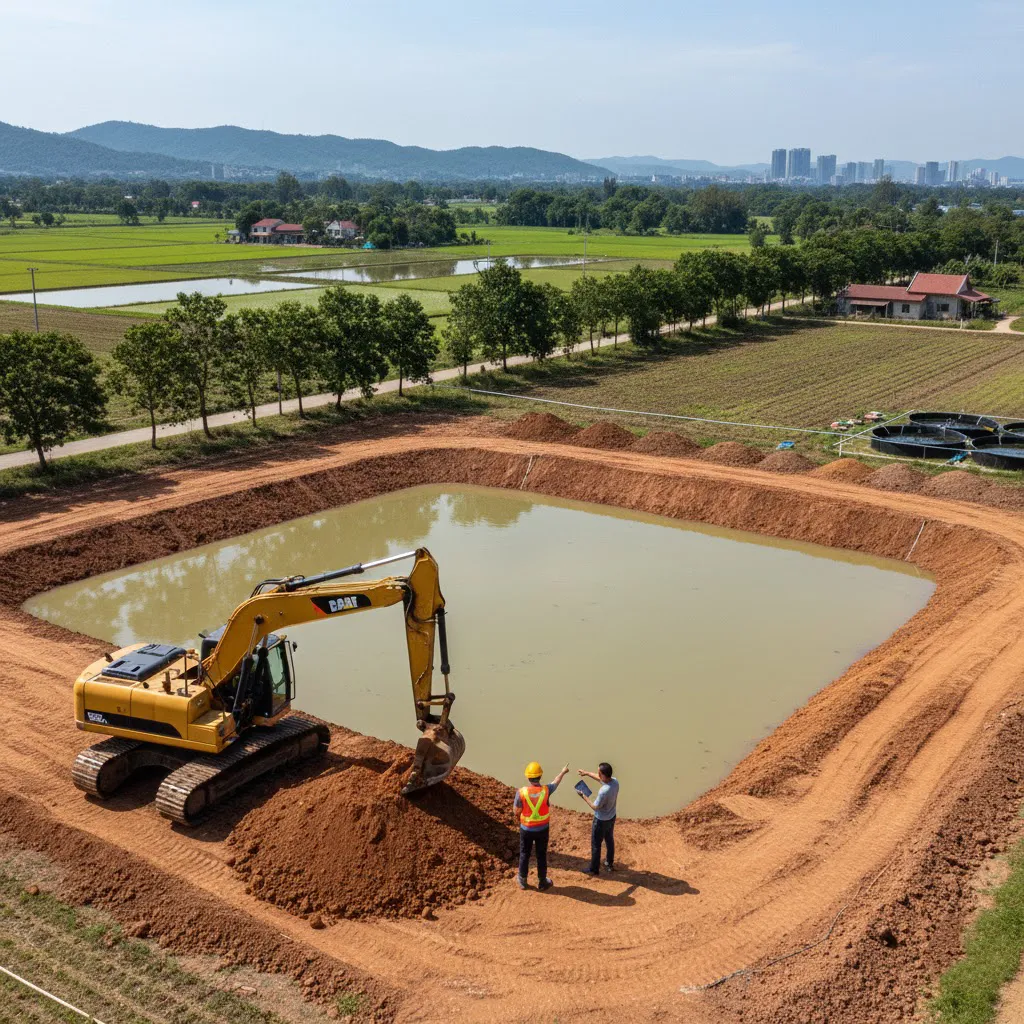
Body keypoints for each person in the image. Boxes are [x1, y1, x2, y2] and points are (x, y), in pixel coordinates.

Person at [514, 760, 569, 890]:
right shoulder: (546, 790)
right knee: (541, 855)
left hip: (526, 829)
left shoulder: (521, 792)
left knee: (524, 853)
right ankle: (542, 881)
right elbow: (556, 782)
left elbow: (516, 812)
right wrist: (563, 772)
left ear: (528, 776)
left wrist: (522, 821)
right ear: (540, 776)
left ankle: (522, 880)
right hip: (542, 829)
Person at [577, 762, 618, 876]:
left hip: (601, 820)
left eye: (599, 772)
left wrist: (583, 796)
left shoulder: (604, 791)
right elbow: (599, 778)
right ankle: (609, 863)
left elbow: (595, 807)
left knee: (596, 844)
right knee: (609, 839)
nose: (597, 774)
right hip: (611, 817)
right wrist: (586, 773)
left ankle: (594, 869)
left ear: (603, 775)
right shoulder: (615, 782)